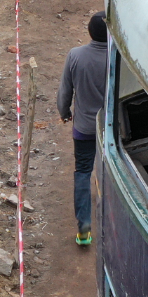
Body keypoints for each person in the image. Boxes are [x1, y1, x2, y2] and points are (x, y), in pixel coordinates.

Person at [56, 13, 110, 247]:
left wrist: (64, 112)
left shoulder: (75, 55)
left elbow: (65, 91)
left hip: (84, 128)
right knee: (110, 176)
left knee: (83, 172)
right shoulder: (116, 58)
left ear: (89, 32)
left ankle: (84, 229)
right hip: (110, 129)